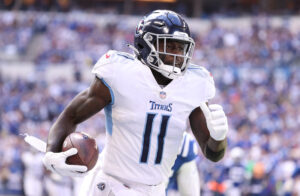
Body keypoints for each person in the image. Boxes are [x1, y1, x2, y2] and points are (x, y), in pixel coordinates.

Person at [42, 9, 229, 196]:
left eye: (181, 48)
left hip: (154, 190)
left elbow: (213, 154)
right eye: (169, 46)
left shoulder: (194, 84)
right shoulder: (121, 73)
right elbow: (72, 115)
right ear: (145, 44)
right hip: (110, 185)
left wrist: (218, 137)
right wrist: (51, 153)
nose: (178, 54)